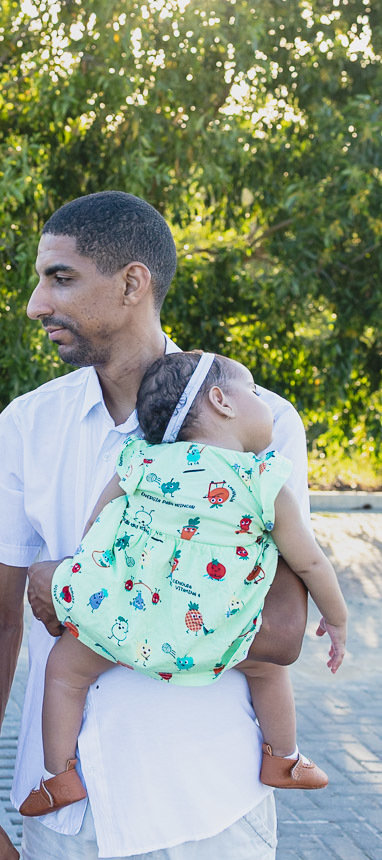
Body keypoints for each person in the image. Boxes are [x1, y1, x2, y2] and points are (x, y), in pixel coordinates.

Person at [0, 192, 313, 860]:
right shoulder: (26, 427)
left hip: (210, 796)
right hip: (64, 813)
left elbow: (284, 633)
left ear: (132, 282)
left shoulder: (259, 422)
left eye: (60, 278)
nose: (38, 303)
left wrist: (80, 601)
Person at [19, 349, 347, 819]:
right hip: (220, 627)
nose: (263, 402)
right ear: (222, 400)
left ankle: (59, 777)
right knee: (268, 671)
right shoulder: (262, 481)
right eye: (253, 390)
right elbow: (311, 563)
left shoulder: (142, 462)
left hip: (128, 620)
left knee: (64, 672)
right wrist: (337, 618)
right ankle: (283, 758)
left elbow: (97, 528)